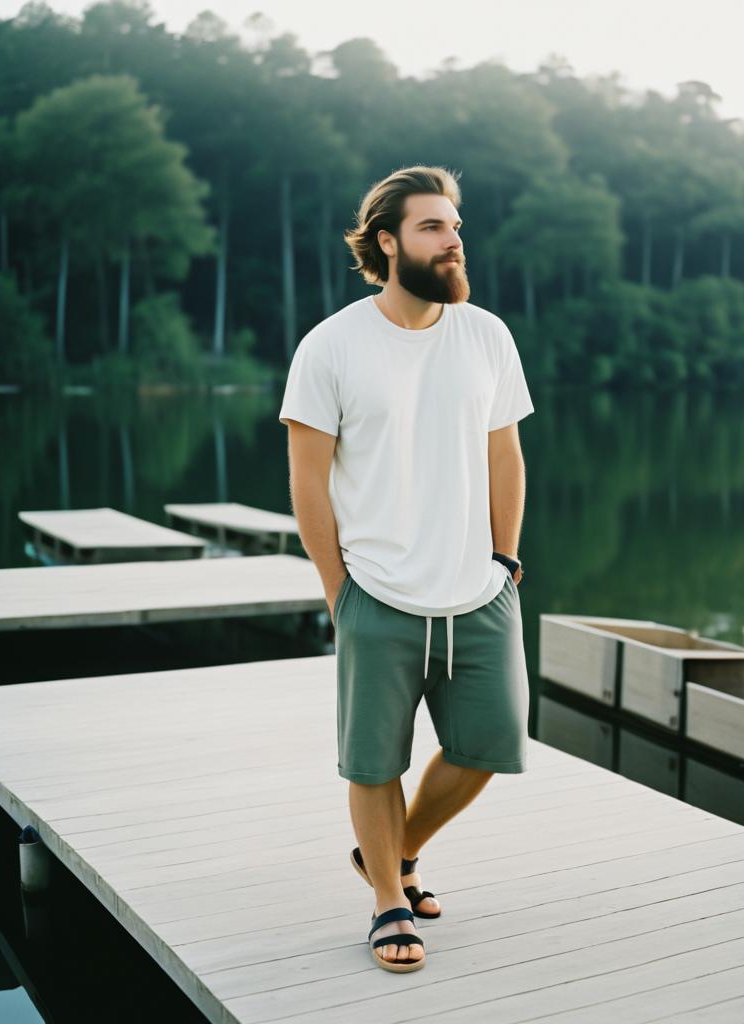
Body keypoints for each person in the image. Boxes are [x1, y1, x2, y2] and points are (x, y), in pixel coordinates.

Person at [279, 165, 534, 973]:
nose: (453, 239)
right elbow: (307, 482)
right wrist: (337, 592)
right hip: (377, 592)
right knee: (373, 761)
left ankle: (392, 849)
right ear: (387, 242)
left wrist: (506, 557)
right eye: (432, 227)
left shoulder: (487, 335)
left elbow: (506, 456)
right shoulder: (332, 346)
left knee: (489, 747)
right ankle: (390, 897)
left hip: (480, 592)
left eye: (455, 225)